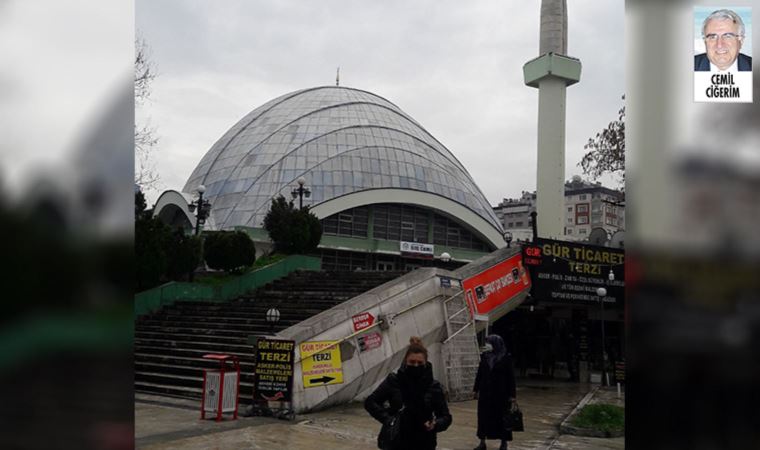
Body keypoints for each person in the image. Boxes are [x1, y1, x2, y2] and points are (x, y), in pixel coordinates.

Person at [365, 336, 452, 450]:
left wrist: (435, 424)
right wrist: (388, 419)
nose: (416, 365)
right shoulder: (394, 381)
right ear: (406, 361)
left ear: (425, 363)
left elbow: (445, 417)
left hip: (424, 442)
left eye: (419, 362)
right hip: (397, 441)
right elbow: (370, 402)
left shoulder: (433, 386)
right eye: (412, 362)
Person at [473, 335, 517, 450]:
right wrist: (476, 389)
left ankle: (504, 443)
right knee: (483, 418)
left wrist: (512, 395)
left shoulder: (506, 358)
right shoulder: (485, 356)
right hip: (486, 393)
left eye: (489, 343)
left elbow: (510, 378)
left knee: (502, 418)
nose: (487, 345)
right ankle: (482, 442)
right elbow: (480, 374)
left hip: (501, 394)